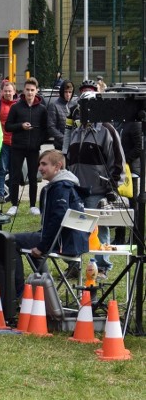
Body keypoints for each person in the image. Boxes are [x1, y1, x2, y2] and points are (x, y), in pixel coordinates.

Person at [14, 150, 88, 287]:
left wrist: (42, 247)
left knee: (10, 240)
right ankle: (46, 288)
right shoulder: (64, 184)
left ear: (58, 166)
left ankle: (18, 291)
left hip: (62, 243)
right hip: (71, 241)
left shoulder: (61, 187)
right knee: (30, 242)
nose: (40, 168)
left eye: (44, 164)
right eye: (39, 164)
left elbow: (59, 218)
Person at [67, 113, 123, 279]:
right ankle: (74, 264)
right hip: (77, 188)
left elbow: (117, 159)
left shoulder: (106, 129)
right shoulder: (76, 130)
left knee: (99, 228)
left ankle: (102, 266)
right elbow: (69, 157)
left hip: (97, 189)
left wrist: (113, 186)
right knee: (74, 226)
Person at [4, 77, 47, 216]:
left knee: (33, 177)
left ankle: (33, 205)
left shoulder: (41, 109)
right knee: (15, 176)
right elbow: (8, 126)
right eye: (27, 90)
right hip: (17, 146)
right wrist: (21, 126)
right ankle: (14, 204)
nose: (29, 93)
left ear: (37, 91)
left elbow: (45, 129)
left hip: (34, 148)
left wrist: (38, 141)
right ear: (24, 91)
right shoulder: (16, 107)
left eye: (32, 90)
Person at [0, 80, 18, 203]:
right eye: (6, 91)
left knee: (14, 172)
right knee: (2, 170)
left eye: (10, 91)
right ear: (2, 92)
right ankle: (0, 195)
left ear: (14, 91)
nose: (8, 93)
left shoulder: (19, 106)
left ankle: (14, 196)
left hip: (17, 143)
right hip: (3, 142)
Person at [46, 81, 73, 151]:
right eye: (66, 92)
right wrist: (64, 140)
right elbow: (51, 127)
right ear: (62, 92)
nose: (68, 94)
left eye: (70, 92)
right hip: (60, 145)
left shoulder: (74, 105)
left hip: (74, 144)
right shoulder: (54, 105)